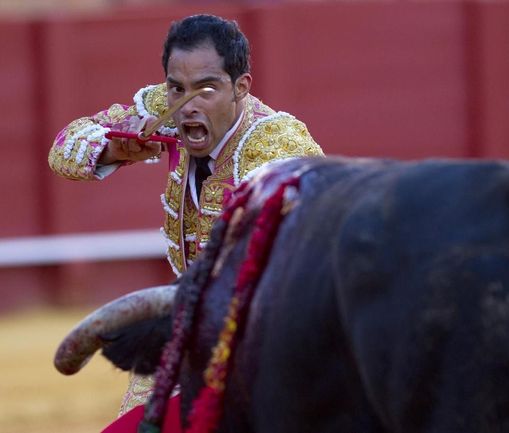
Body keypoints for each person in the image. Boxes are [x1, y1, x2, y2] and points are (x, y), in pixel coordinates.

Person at [48, 13, 324, 421]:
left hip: (268, 340)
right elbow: (63, 149)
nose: (186, 105)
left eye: (206, 89)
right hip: (192, 321)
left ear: (240, 88)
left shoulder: (275, 147)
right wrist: (116, 148)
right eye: (177, 87)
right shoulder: (166, 105)